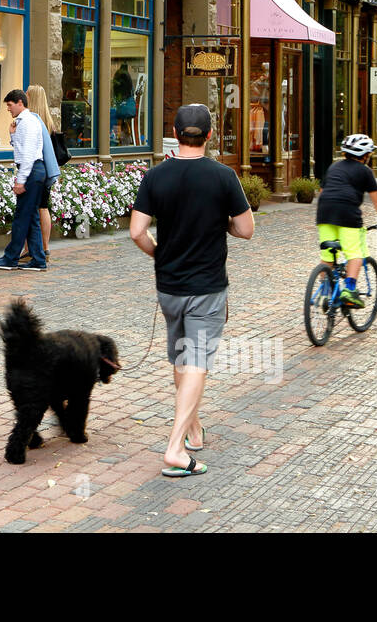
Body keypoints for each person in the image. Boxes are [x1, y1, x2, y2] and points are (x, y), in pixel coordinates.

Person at [128, 104, 254, 478]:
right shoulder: (223, 176)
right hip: (207, 287)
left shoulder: (155, 177)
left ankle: (193, 429)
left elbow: (136, 231)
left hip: (169, 287)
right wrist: (225, 225)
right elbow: (246, 229)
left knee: (183, 361)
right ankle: (174, 447)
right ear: (210, 135)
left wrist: (159, 253)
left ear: (175, 132)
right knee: (196, 363)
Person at [316, 133, 377, 308]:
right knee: (354, 253)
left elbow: (322, 191)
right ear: (365, 156)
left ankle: (324, 291)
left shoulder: (334, 167)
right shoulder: (365, 172)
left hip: (324, 212)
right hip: (347, 214)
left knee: (327, 254)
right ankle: (349, 291)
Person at [0, 89, 58, 272]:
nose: (8, 109)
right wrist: (12, 135)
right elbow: (23, 149)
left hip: (32, 172)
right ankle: (38, 260)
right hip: (34, 172)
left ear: (20, 102)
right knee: (32, 217)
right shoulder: (25, 122)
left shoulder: (27, 122)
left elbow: (27, 155)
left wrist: (21, 181)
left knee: (22, 217)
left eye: (10, 105)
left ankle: (10, 258)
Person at [19, 84, 67, 264]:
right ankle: (45, 248)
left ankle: (29, 249)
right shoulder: (48, 121)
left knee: (31, 209)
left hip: (36, 171)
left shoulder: (31, 121)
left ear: (30, 98)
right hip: (48, 172)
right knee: (43, 207)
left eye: (26, 94)